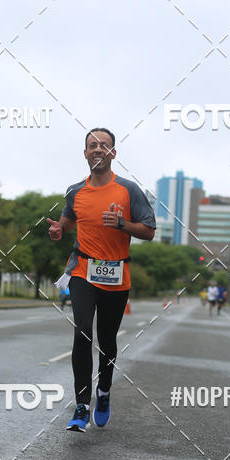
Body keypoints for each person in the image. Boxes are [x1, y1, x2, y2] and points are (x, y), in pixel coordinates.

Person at [47, 128, 156, 432]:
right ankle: (82, 406)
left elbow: (149, 230)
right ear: (85, 153)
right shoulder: (75, 191)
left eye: (104, 145)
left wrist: (122, 224)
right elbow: (67, 223)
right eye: (92, 145)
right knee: (82, 332)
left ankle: (104, 391)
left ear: (113, 153)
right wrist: (58, 231)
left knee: (107, 341)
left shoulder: (128, 190)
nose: (98, 149)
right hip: (83, 271)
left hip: (116, 275)